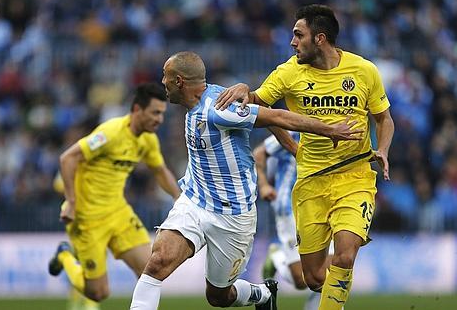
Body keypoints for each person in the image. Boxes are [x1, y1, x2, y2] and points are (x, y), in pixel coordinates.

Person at [129, 51, 363, 310]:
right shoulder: (204, 100)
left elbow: (275, 116)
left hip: (233, 216)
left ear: (180, 81)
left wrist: (330, 130)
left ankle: (261, 294)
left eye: (167, 76)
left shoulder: (218, 110)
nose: (163, 81)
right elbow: (267, 115)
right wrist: (291, 148)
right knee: (157, 262)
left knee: (218, 297)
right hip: (195, 202)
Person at [216, 4, 395, 310]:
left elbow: (384, 118)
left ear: (320, 39)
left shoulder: (364, 70)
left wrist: (383, 149)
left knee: (346, 255)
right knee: (311, 278)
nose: (292, 42)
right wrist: (289, 143)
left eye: (299, 35)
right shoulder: (289, 72)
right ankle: (283, 266)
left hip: (355, 176)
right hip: (311, 181)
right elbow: (260, 108)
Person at [48, 83, 181, 304]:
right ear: (137, 109)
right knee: (99, 293)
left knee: (152, 270)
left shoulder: (148, 139)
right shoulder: (110, 133)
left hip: (118, 212)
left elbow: (160, 171)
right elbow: (67, 158)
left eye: (162, 114)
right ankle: (64, 254)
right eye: (155, 113)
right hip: (87, 218)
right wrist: (71, 202)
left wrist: (179, 199)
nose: (160, 119)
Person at [254, 132, 332, 310]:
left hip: (322, 207)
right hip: (289, 208)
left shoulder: (330, 127)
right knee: (301, 280)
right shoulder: (293, 133)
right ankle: (277, 257)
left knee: (330, 272)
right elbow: (259, 153)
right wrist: (264, 185)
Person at [53, 173, 100, 310]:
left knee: (91, 264)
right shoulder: (71, 164)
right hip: (81, 217)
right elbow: (58, 186)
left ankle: (88, 303)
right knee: (87, 262)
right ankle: (85, 304)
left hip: (96, 218)